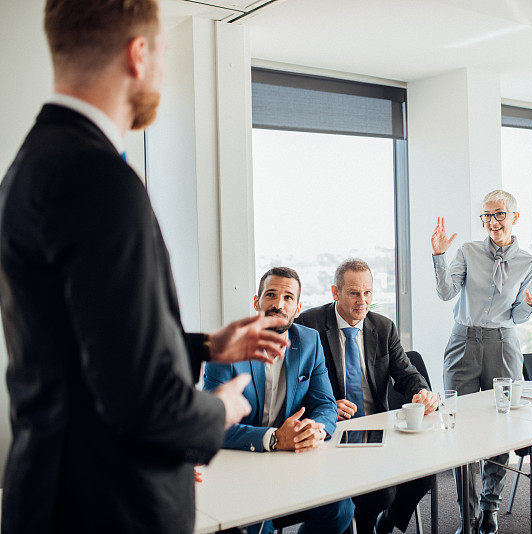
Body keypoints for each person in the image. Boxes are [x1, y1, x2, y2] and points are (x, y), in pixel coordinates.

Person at [0, 1, 290, 532]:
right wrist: (220, 410)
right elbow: (141, 403)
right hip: (108, 507)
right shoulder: (100, 179)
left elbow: (88, 349)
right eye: (162, 54)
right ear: (138, 54)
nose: (161, 70)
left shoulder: (32, 165)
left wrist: (205, 347)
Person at [431, 190, 532, 534]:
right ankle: (466, 514)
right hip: (463, 341)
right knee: (457, 424)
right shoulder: (468, 251)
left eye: (499, 215)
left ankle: (489, 507)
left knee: (502, 425)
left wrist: (529, 303)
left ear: (514, 217)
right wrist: (438, 255)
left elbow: (519, 315)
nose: (492, 222)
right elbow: (445, 293)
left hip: (503, 343)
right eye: (486, 216)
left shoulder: (528, 262)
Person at [204, 267, 354, 534]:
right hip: (242, 462)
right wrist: (273, 438)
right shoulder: (228, 345)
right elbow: (211, 423)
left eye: (287, 298)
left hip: (294, 460)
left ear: (297, 308)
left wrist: (315, 430)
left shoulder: (309, 341)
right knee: (257, 523)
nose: (278, 304)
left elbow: (326, 404)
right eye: (271, 295)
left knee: (341, 509)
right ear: (256, 301)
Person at [296, 259, 438, 534]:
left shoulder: (383, 327)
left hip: (378, 428)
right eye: (354, 293)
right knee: (379, 494)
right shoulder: (310, 325)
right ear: (335, 292)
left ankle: (385, 524)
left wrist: (422, 392)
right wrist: (324, 406)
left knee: (423, 477)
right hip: (335, 431)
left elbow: (406, 373)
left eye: (368, 293)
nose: (363, 301)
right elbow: (296, 384)